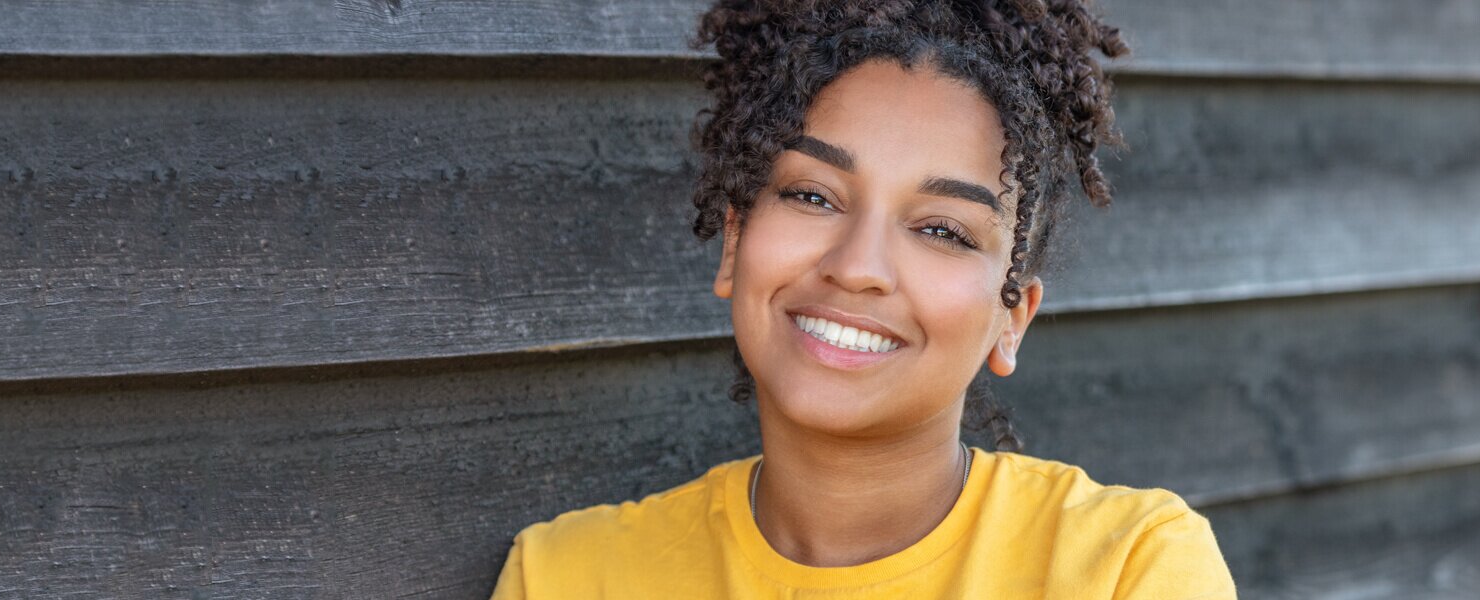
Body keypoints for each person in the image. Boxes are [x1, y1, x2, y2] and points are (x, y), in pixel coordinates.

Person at [491, 1, 1236, 597]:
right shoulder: (565, 577)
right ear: (733, 243)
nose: (858, 266)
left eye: (942, 229)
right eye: (813, 195)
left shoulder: (1128, 571)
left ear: (1012, 319)